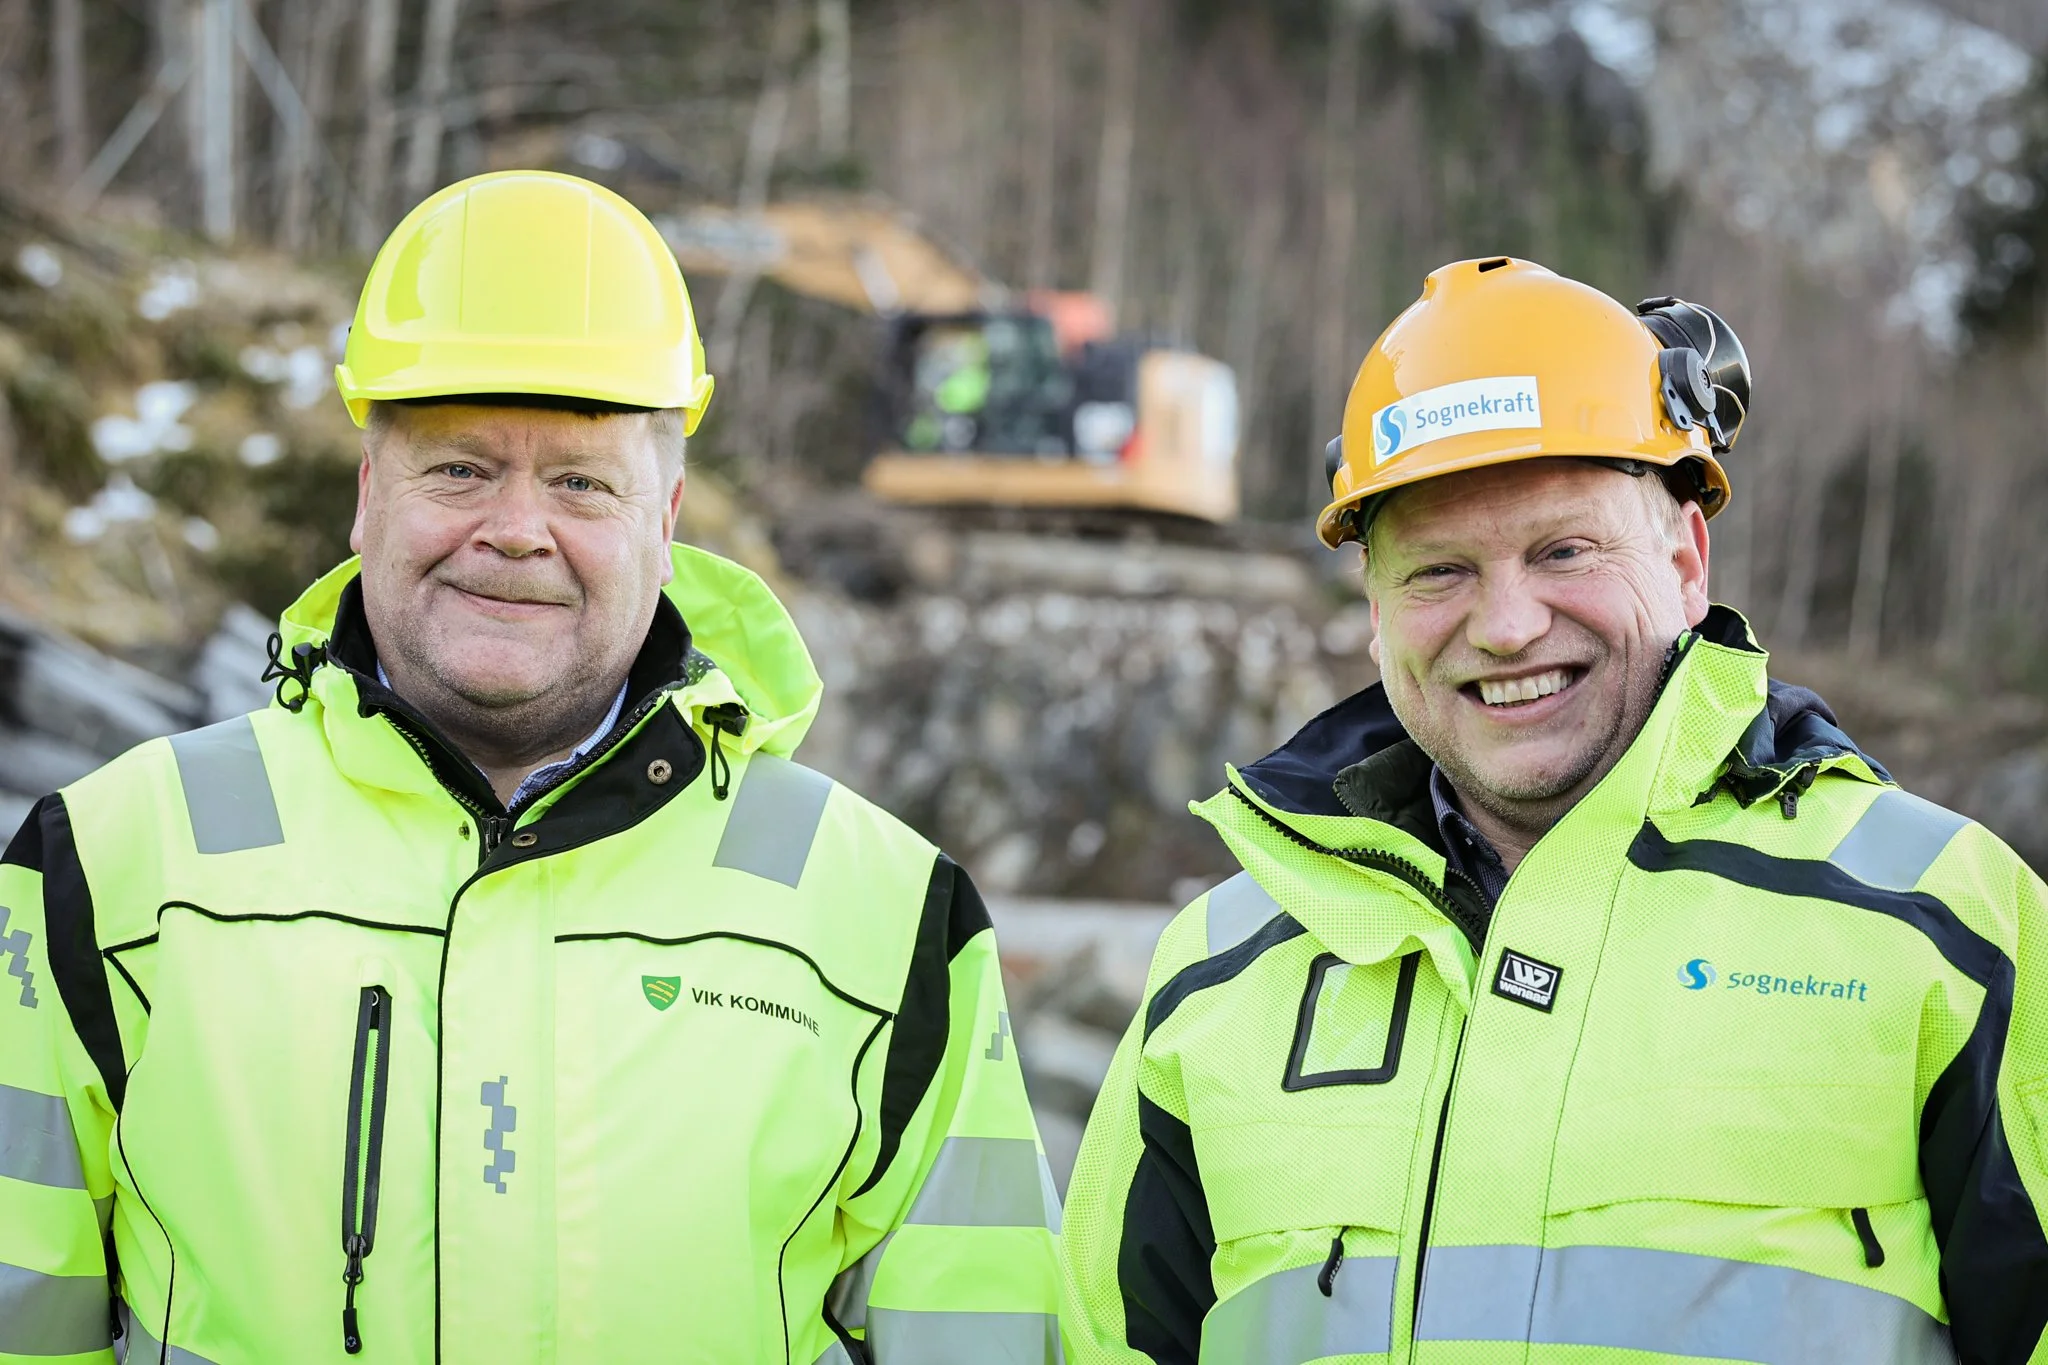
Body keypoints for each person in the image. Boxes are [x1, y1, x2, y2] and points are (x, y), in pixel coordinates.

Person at [0, 171, 1060, 1365]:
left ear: (665, 521)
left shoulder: (890, 920)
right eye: (459, 467)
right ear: (367, 498)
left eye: (579, 481)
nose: (514, 529)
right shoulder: (107, 869)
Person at [1060, 256, 2048, 1363]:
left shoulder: (1941, 926)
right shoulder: (1216, 973)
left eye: (1563, 550)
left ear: (1685, 561)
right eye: (1438, 571)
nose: (1506, 626)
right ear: (1375, 612)